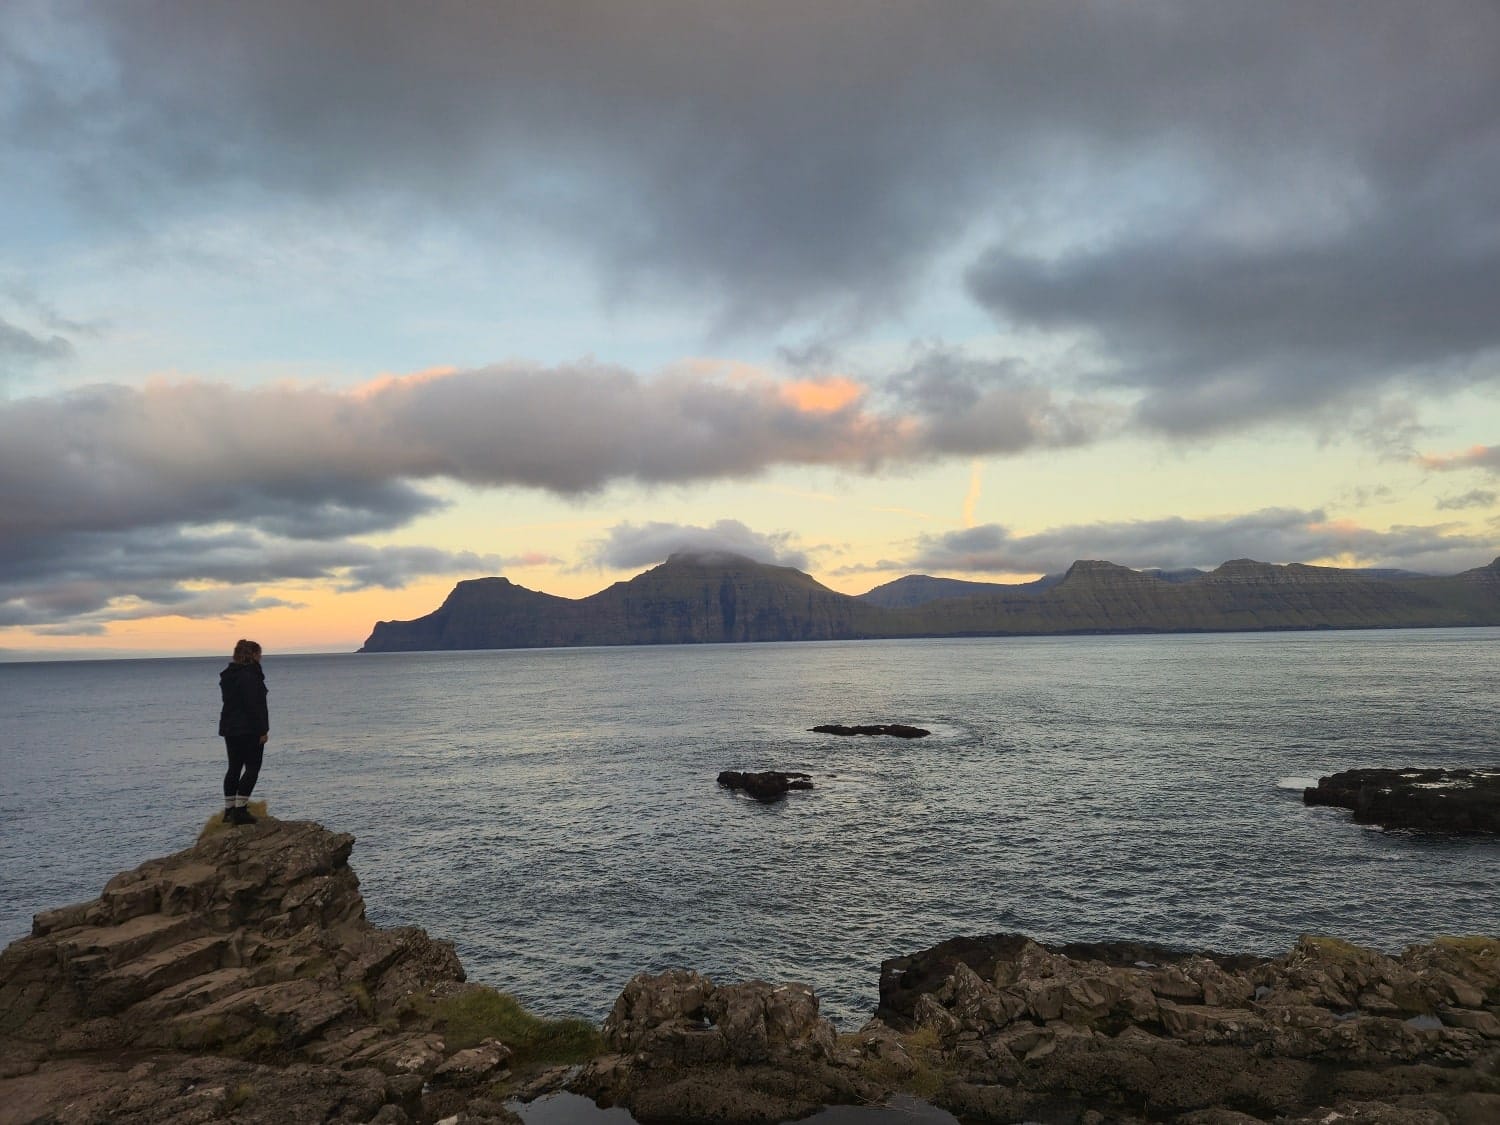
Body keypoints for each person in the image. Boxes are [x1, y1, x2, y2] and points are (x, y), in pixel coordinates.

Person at [218, 638, 269, 825]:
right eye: (259, 654)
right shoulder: (251, 675)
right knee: (252, 768)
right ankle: (240, 810)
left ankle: (229, 810)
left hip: (230, 727)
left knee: (234, 767)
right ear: (253, 655)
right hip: (248, 729)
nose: (261, 657)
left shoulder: (229, 675)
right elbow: (254, 706)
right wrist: (262, 730)